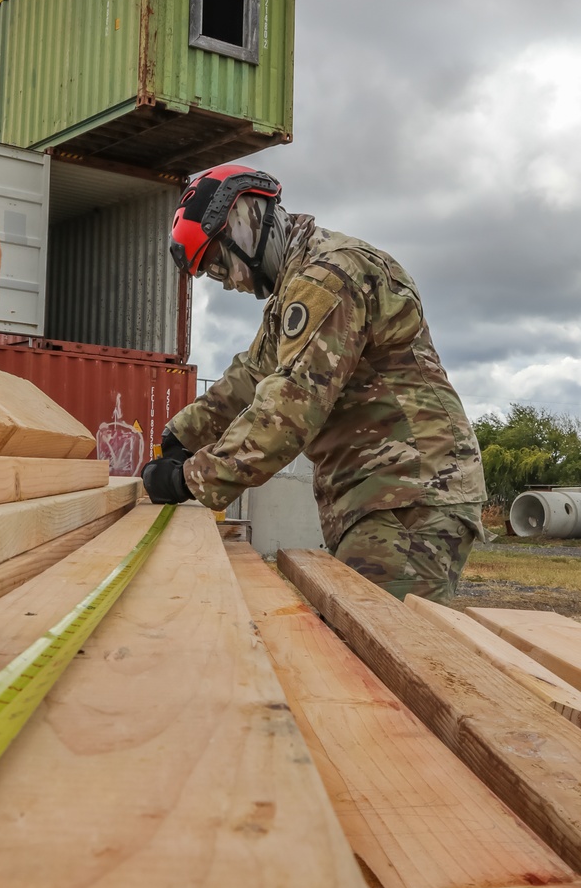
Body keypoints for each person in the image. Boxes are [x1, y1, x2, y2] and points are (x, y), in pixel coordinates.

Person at [141, 164, 486, 603]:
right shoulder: (296, 285)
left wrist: (190, 478)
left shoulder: (329, 277)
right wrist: (182, 434)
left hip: (410, 493)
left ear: (244, 226)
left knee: (374, 654)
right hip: (382, 492)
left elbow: (291, 406)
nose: (227, 283)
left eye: (219, 265)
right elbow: (252, 374)